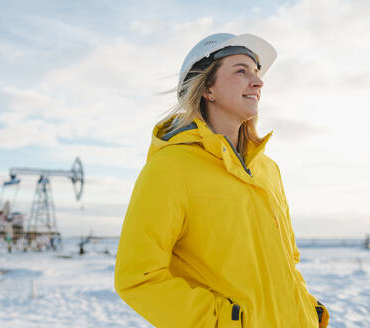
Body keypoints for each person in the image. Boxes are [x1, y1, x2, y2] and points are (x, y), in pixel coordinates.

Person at [114, 33, 330, 327]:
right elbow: (137, 278)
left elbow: (287, 260)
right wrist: (221, 322)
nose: (258, 82)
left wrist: (308, 308)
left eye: (256, 73)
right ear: (207, 89)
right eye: (241, 71)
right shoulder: (169, 168)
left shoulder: (268, 170)